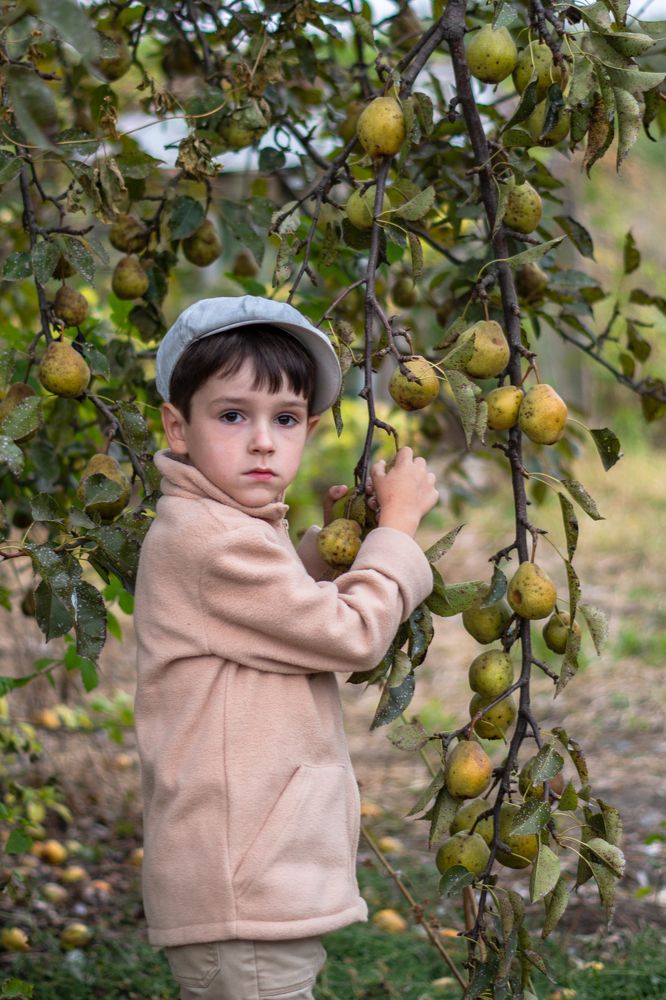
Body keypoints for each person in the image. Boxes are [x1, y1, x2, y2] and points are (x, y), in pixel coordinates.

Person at [133, 295, 439, 1000]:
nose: (264, 440)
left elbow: (270, 617)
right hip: (244, 890)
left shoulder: (221, 526)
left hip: (250, 880)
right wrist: (396, 530)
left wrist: (326, 556)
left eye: (287, 418)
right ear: (177, 428)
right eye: (233, 415)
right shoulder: (210, 540)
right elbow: (351, 635)